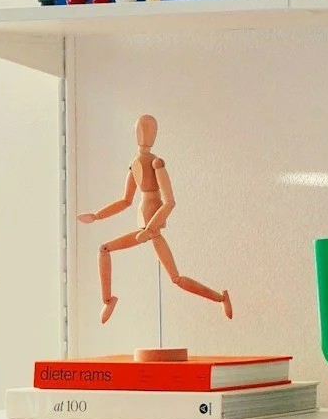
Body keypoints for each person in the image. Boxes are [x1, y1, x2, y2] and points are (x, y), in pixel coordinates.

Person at [78, 114, 231, 326]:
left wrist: (151, 228)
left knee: (175, 278)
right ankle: (108, 300)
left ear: (155, 135)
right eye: (141, 130)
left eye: (148, 130)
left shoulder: (157, 163)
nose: (144, 134)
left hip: (152, 225)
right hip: (144, 222)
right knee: (104, 249)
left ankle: (221, 298)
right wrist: (97, 216)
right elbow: (125, 200)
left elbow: (169, 202)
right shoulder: (134, 164)